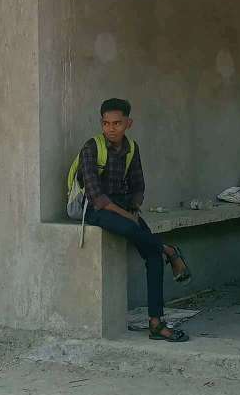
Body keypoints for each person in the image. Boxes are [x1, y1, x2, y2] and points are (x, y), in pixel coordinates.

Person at [77, 98, 192, 342]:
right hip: (95, 210)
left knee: (152, 255)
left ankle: (156, 323)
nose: (111, 128)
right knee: (133, 230)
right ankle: (170, 250)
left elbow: (138, 185)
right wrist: (129, 216)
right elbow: (97, 198)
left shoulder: (131, 148)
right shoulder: (91, 148)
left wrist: (134, 207)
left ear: (128, 123)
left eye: (117, 123)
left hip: (122, 207)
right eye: (106, 123)